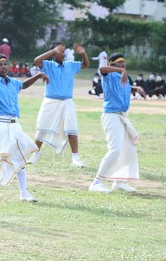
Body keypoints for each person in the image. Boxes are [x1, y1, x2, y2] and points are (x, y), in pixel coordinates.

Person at [0, 54, 48, 202]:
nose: (4, 67)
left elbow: (23, 85)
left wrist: (38, 75)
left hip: (14, 125)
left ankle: (23, 193)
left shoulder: (12, 82)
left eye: (5, 64)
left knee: (20, 157)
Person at [89, 53, 145, 193]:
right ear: (112, 64)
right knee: (115, 150)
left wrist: (135, 88)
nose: (123, 64)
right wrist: (121, 70)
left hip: (123, 116)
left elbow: (123, 87)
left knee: (128, 149)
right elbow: (102, 69)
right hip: (111, 116)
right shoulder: (109, 74)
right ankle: (96, 182)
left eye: (124, 62)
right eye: (120, 62)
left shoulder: (123, 76)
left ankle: (119, 181)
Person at [28, 42, 89, 167]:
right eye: (60, 51)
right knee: (42, 128)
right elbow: (36, 61)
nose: (63, 53)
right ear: (53, 54)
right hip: (50, 101)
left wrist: (83, 53)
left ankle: (75, 158)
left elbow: (85, 65)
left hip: (67, 102)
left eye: (63, 51)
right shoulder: (48, 65)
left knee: (72, 129)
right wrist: (53, 50)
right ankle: (34, 154)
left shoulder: (70, 65)